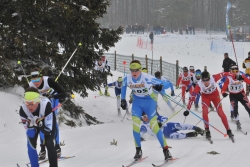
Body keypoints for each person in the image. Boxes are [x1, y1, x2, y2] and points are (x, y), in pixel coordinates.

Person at [120, 60, 172, 161]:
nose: (134, 73)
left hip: (149, 101)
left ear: (140, 70)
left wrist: (159, 86)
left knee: (154, 127)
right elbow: (123, 86)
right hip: (137, 102)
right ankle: (138, 150)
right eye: (132, 70)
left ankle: (166, 150)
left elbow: (167, 84)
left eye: (136, 70)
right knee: (135, 125)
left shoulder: (147, 77)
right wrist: (122, 99)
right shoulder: (128, 78)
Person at [184, 70, 234, 140]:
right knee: (204, 112)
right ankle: (207, 130)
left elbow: (224, 73)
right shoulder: (199, 84)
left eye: (207, 80)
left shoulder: (213, 77)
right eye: (203, 80)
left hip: (215, 96)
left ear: (209, 78)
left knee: (220, 112)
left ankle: (229, 130)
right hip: (205, 97)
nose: (205, 82)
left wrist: (233, 75)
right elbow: (192, 97)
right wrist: (187, 109)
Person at [28, 68, 66, 160]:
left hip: (53, 100)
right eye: (33, 80)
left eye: (37, 79)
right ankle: (42, 149)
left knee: (52, 122)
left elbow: (63, 94)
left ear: (41, 77)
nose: (36, 82)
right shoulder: (31, 85)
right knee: (40, 122)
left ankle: (57, 147)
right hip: (41, 102)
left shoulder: (48, 81)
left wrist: (52, 96)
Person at [19, 87, 58, 167]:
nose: (29, 107)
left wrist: (40, 124)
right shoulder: (23, 110)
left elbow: (48, 131)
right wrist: (30, 126)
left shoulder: (46, 105)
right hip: (34, 122)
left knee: (49, 142)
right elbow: (29, 133)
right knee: (30, 144)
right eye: (27, 103)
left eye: (32, 103)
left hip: (45, 121)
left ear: (38, 101)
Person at [221, 65, 250, 130]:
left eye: (236, 71)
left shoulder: (241, 75)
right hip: (233, 95)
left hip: (241, 94)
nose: (235, 73)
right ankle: (237, 122)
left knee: (248, 106)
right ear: (230, 71)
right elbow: (223, 88)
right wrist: (223, 93)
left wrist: (243, 78)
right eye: (233, 71)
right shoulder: (228, 78)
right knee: (235, 107)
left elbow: (248, 81)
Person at [140, 114, 204, 140]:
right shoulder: (144, 126)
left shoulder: (154, 117)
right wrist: (140, 138)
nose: (146, 118)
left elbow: (165, 118)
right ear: (142, 119)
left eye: (146, 115)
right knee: (178, 136)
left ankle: (198, 129)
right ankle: (191, 134)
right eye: (144, 117)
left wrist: (161, 122)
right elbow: (140, 133)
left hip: (169, 126)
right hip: (166, 134)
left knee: (182, 126)